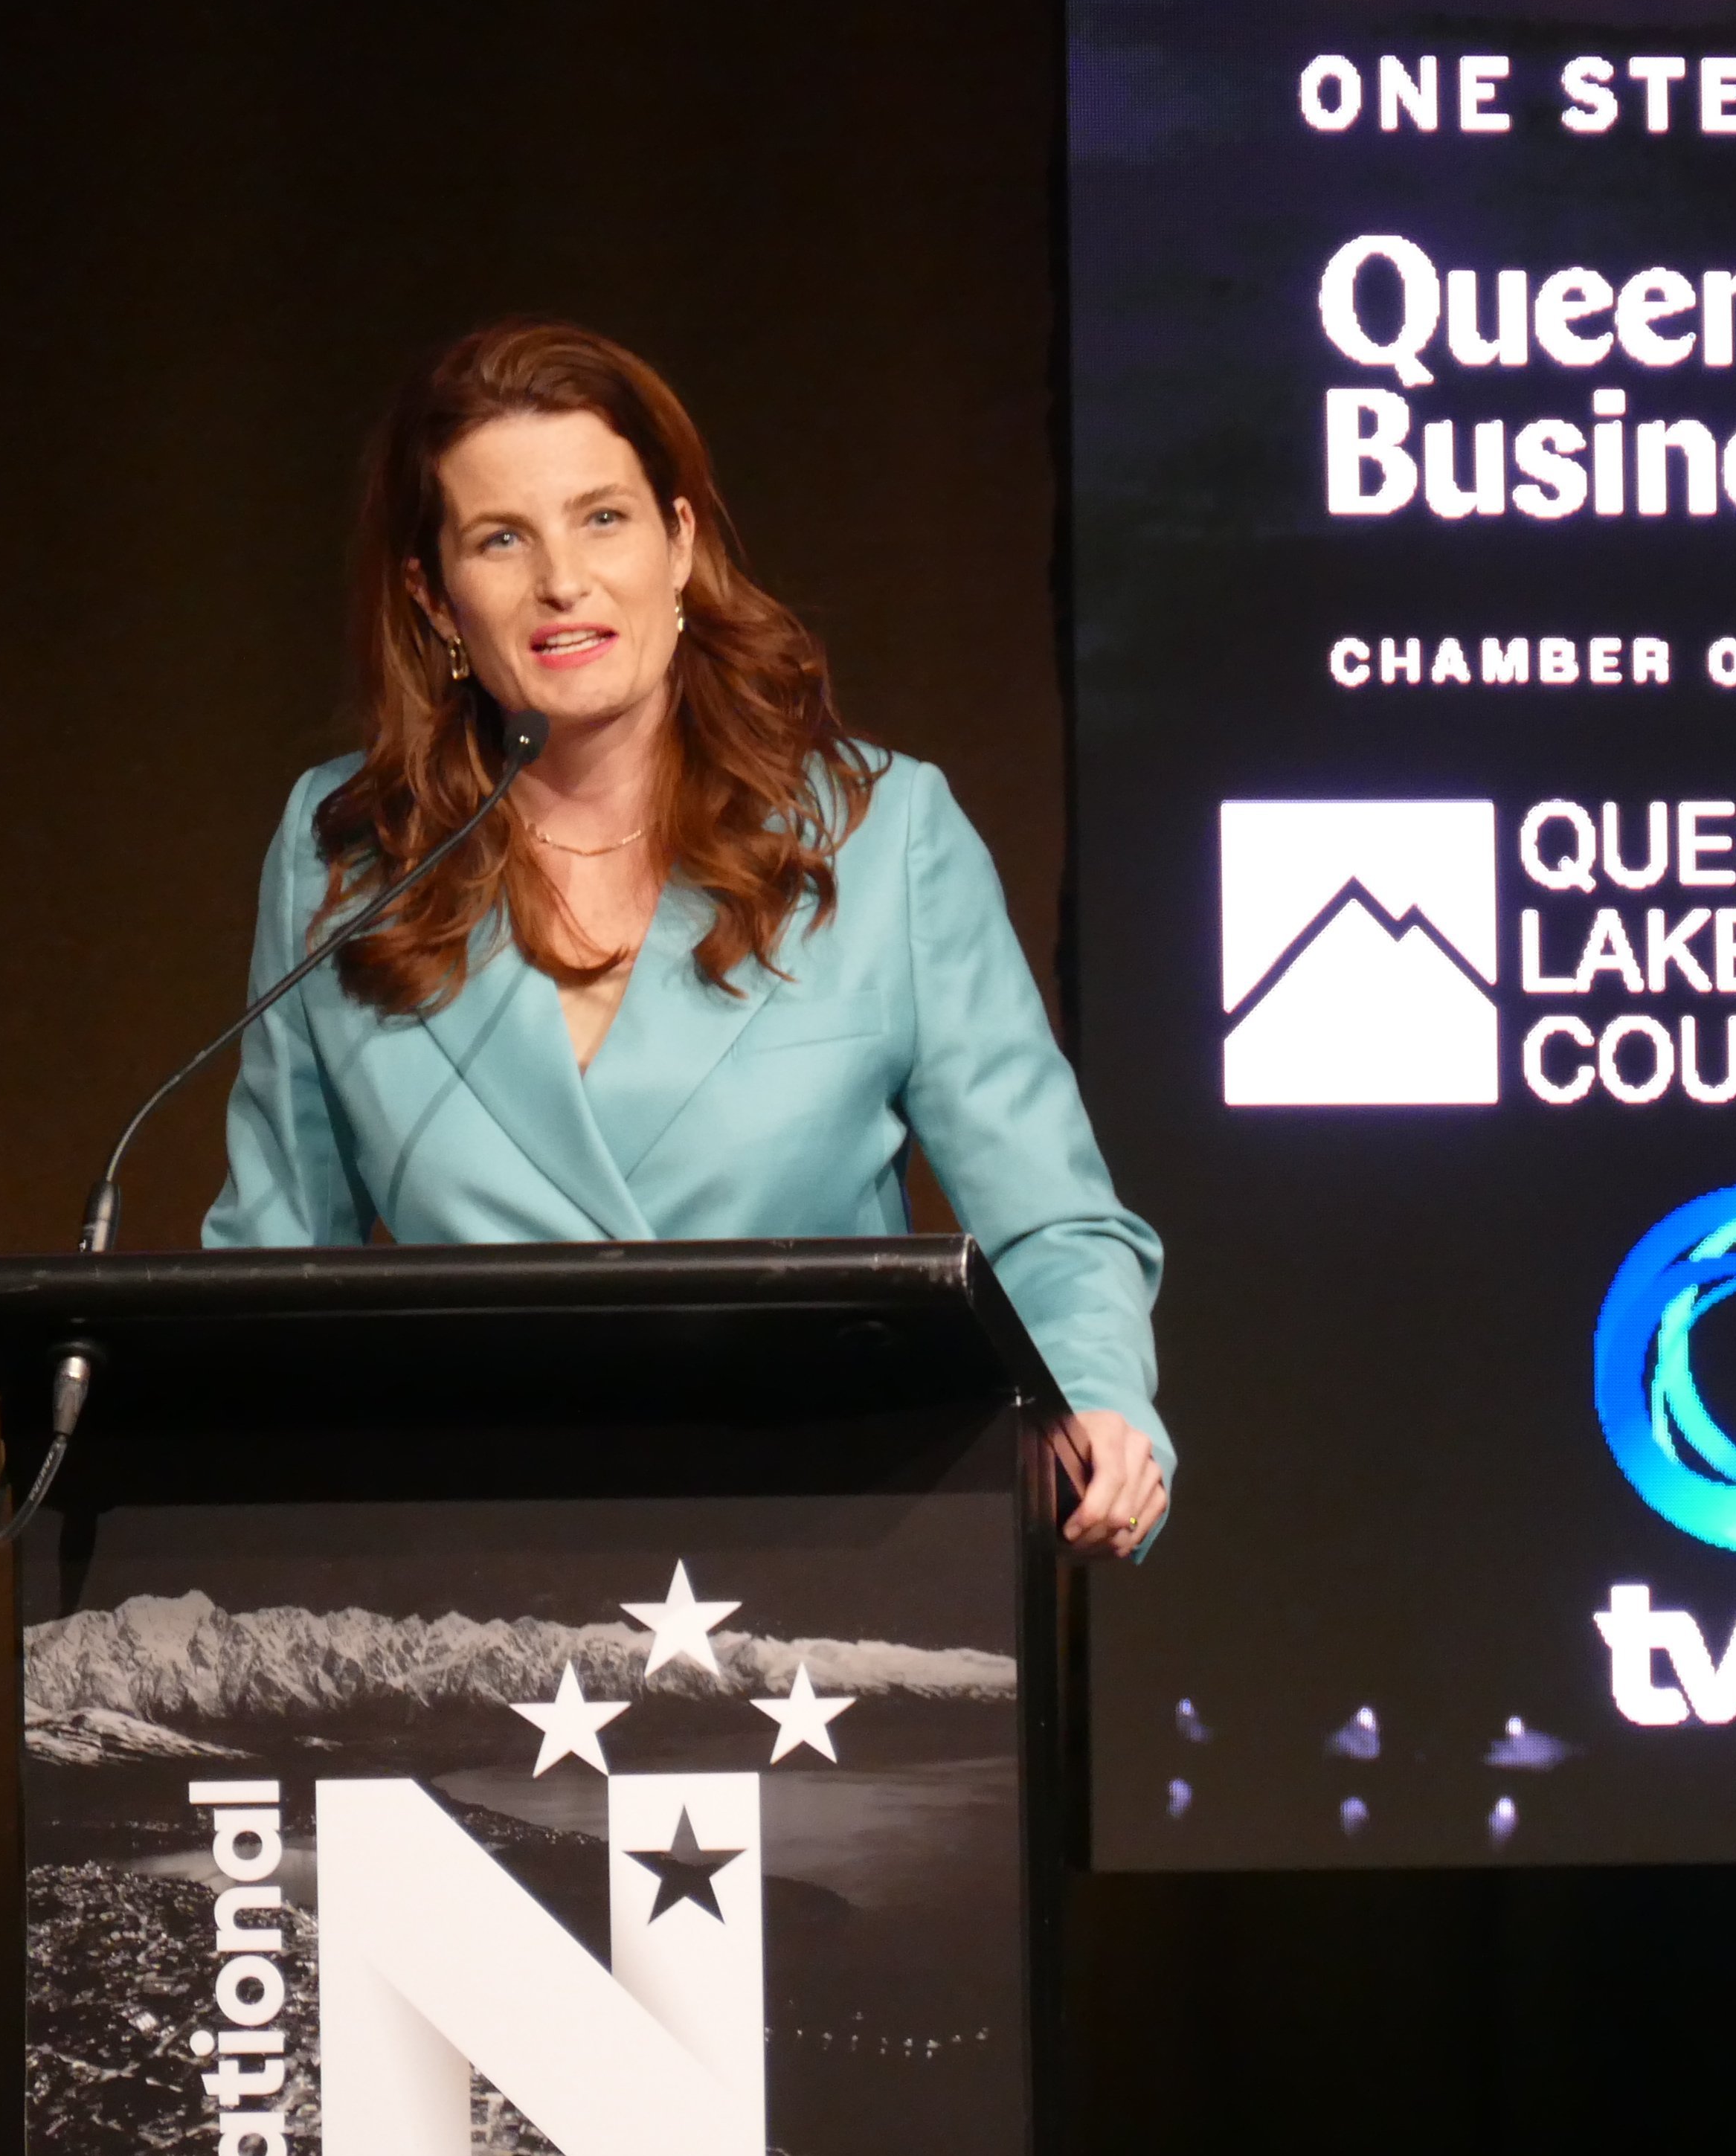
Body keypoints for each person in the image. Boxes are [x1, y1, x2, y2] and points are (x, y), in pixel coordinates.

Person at [205, 318, 1174, 1554]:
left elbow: (1051, 1221)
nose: (563, 580)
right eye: (503, 539)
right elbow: (274, 1268)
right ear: (434, 597)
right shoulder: (347, 854)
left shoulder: (880, 834)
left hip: (841, 1566)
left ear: (681, 542)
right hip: (478, 1582)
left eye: (603, 519)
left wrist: (1096, 1393)